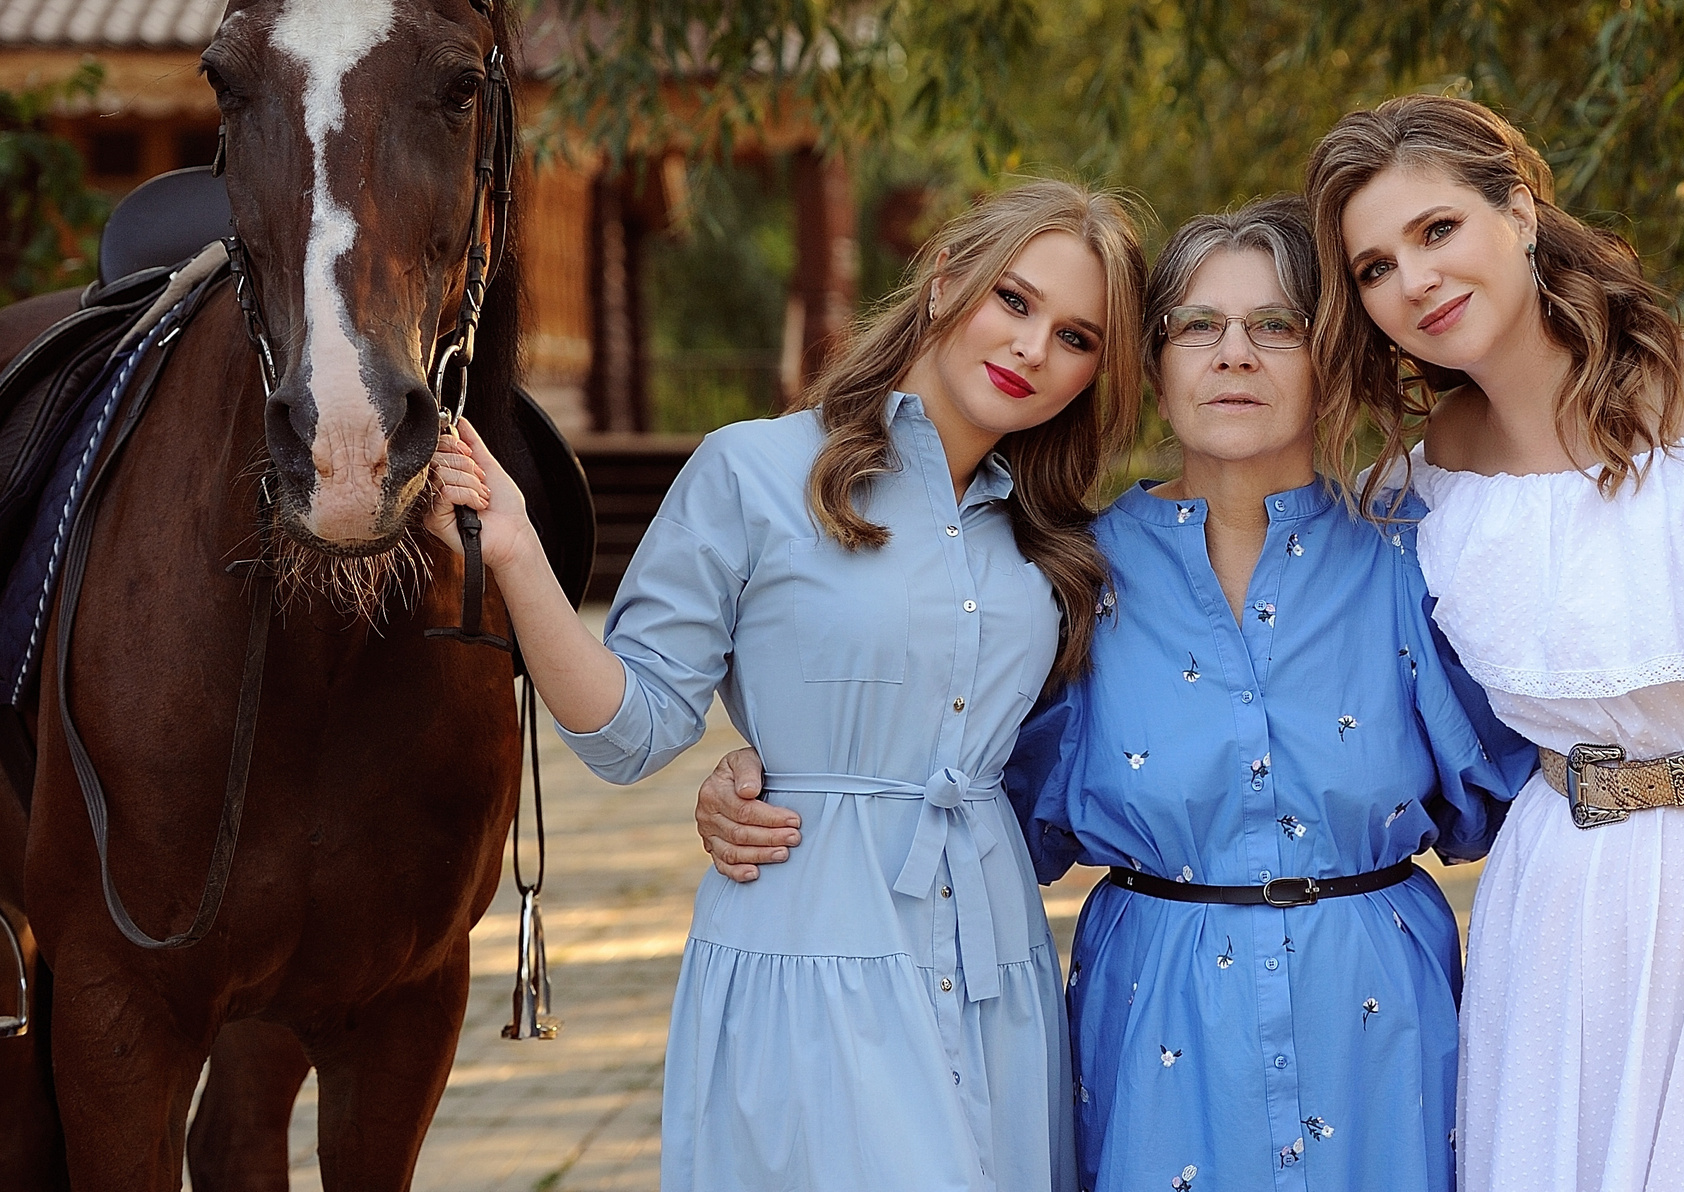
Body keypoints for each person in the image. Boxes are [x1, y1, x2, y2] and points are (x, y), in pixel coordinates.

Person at [694, 198, 1684, 1191]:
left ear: (1332, 358)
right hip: (1154, 1021)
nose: (1233, 355)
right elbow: (944, 774)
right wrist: (768, 771)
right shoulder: (1071, 573)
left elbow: (1581, 735)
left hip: (1384, 1029)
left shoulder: (1425, 550)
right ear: (1151, 363)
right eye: (1194, 326)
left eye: (1274, 327)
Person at [424, 179, 1149, 1192]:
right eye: (1014, 301)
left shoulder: (1056, 541)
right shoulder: (752, 473)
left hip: (996, 972)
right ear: (945, 282)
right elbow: (627, 735)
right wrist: (514, 551)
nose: (1034, 348)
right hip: (812, 949)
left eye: (1078, 336)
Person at [1305, 95, 1684, 1192]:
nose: (1414, 280)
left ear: (1522, 213)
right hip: (1559, 897)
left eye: (1437, 230)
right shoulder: (1419, 490)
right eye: (1373, 267)